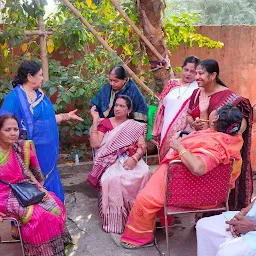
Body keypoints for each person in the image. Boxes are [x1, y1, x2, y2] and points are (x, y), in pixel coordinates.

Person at [120, 105, 244, 249]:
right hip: (213, 194)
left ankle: (139, 237)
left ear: (215, 118)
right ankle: (162, 222)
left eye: (213, 111)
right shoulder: (232, 139)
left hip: (188, 194)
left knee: (145, 199)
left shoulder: (215, 144)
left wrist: (179, 147)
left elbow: (198, 167)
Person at [1, 60, 83, 203]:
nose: (43, 78)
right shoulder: (13, 98)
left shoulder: (41, 96)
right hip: (26, 156)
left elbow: (47, 121)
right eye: (40, 75)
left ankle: (54, 219)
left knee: (53, 196)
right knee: (33, 199)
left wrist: (66, 116)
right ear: (30, 77)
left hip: (47, 155)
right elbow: (4, 126)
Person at [0, 113, 71, 255]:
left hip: (23, 187)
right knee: (39, 216)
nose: (13, 133)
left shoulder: (19, 147)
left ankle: (55, 248)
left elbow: (28, 174)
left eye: (15, 129)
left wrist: (40, 189)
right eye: (8, 130)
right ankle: (40, 251)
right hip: (3, 195)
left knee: (55, 204)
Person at [186, 59, 253, 210]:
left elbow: (240, 128)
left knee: (218, 192)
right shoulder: (196, 93)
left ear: (213, 75)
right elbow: (188, 115)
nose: (196, 77)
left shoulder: (232, 100)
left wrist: (209, 126)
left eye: (201, 73)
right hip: (201, 150)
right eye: (196, 73)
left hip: (220, 155)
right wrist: (193, 124)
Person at [87, 95, 151, 234]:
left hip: (130, 158)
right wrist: (95, 120)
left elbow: (142, 146)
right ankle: (117, 221)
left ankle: (138, 217)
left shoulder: (135, 126)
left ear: (129, 110)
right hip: (109, 160)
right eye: (116, 105)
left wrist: (134, 158)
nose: (117, 108)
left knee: (145, 172)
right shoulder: (106, 124)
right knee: (111, 179)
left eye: (122, 106)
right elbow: (96, 144)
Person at [152, 56, 200, 160]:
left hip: (185, 131)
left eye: (192, 71)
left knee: (178, 160)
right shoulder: (171, 84)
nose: (188, 74)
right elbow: (161, 107)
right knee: (165, 161)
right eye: (186, 70)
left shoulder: (197, 89)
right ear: (182, 68)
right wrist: (157, 128)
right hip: (166, 127)